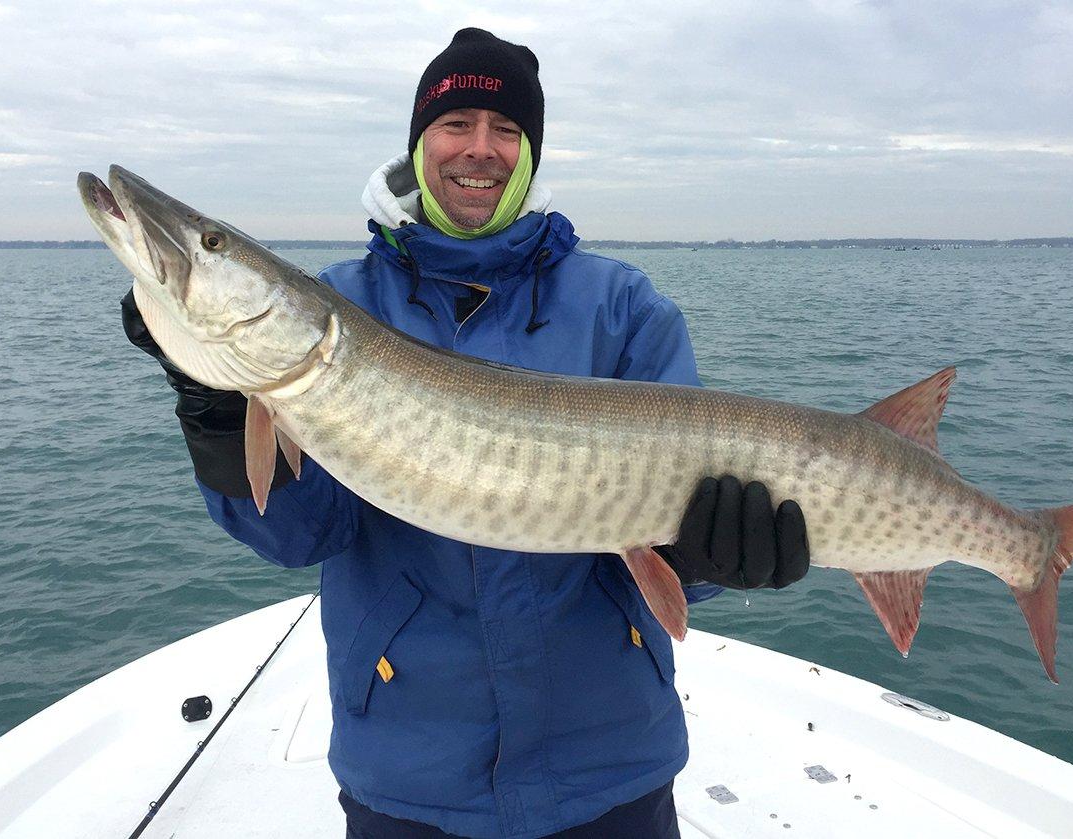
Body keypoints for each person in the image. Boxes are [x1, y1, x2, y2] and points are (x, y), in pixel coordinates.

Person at [123, 28, 809, 839]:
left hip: (610, 762)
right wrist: (215, 408)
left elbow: (680, 550)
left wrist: (707, 555)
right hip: (412, 777)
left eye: (506, 130)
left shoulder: (625, 308)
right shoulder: (344, 303)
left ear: (528, 155)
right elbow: (300, 534)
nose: (479, 149)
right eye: (456, 124)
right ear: (419, 145)